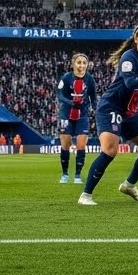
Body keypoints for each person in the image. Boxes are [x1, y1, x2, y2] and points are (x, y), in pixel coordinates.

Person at [78, 23, 138, 207]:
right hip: (111, 107)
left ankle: (129, 185)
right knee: (110, 150)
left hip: (130, 112)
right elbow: (131, 83)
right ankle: (86, 195)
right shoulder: (129, 57)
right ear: (136, 38)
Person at [55, 53, 94, 184]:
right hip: (66, 115)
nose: (81, 65)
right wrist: (70, 102)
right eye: (79, 62)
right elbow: (59, 94)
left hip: (83, 115)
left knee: (81, 145)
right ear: (73, 64)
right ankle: (65, 174)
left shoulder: (89, 79)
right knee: (65, 145)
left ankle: (77, 175)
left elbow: (93, 97)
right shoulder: (66, 78)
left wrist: (94, 109)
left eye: (84, 63)